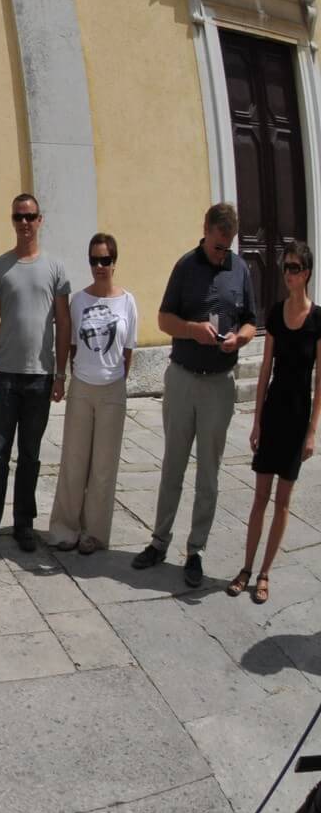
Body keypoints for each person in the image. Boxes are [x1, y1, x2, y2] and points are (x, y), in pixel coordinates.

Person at [135, 202, 256, 589]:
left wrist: (241, 337)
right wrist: (192, 330)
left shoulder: (240, 269)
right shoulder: (186, 267)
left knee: (209, 472)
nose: (223, 253)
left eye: (228, 246)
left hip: (220, 383)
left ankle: (196, 550)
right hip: (184, 378)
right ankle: (159, 541)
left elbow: (252, 320)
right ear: (205, 230)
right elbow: (162, 319)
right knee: (173, 464)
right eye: (218, 245)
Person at [0, 193, 72, 553]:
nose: (24, 223)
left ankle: (24, 524)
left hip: (40, 376)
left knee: (30, 454)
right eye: (18, 217)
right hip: (4, 376)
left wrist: (60, 374)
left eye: (30, 217)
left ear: (40, 220)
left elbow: (63, 322)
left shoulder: (56, 269)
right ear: (12, 220)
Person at [232, 241, 317, 604]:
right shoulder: (276, 311)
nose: (289, 274)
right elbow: (265, 368)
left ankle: (265, 573)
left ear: (308, 273)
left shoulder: (318, 319)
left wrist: (312, 432)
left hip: (299, 417)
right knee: (259, 497)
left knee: (283, 501)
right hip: (274, 411)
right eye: (287, 267)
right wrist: (256, 421)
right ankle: (246, 567)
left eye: (295, 268)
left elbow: (319, 381)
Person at [48, 234, 137, 554]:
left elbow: (127, 353)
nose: (99, 266)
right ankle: (64, 529)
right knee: (74, 460)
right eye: (94, 260)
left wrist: (112, 377)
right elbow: (71, 345)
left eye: (105, 260)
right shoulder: (79, 301)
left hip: (113, 390)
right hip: (82, 388)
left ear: (115, 262)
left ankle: (94, 533)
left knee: (103, 466)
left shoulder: (128, 302)